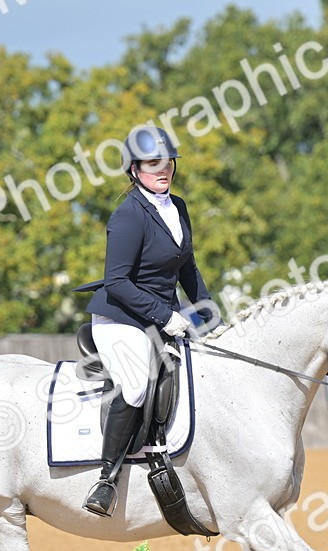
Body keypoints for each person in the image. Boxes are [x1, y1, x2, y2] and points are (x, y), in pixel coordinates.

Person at [81, 125, 222, 517]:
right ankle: (106, 480)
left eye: (167, 162)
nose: (163, 169)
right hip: (120, 318)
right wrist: (166, 315)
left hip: (162, 317)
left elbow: (187, 268)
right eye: (152, 163)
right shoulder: (128, 215)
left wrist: (210, 315)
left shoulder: (178, 207)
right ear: (134, 169)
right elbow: (117, 282)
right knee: (135, 385)